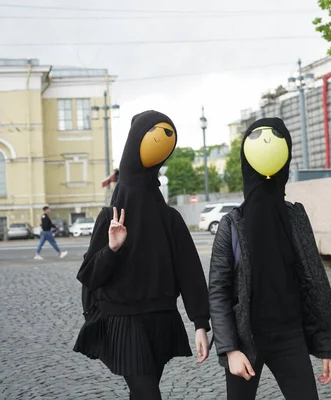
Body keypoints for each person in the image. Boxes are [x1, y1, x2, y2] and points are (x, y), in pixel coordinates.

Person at [73, 110, 210, 400]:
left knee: (144, 392)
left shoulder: (169, 219)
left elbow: (190, 273)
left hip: (161, 319)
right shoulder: (109, 217)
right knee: (148, 393)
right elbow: (89, 277)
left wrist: (200, 324)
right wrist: (111, 249)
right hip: (124, 321)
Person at [209, 118, 331, 400]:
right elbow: (218, 292)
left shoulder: (295, 216)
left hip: (290, 337)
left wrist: (326, 346)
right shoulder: (231, 224)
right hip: (246, 341)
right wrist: (230, 350)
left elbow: (315, 281)